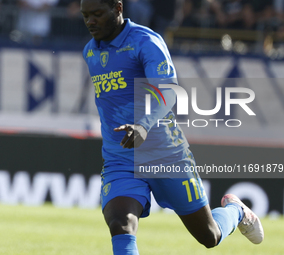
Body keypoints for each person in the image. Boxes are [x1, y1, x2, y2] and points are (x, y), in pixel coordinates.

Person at [80, 0, 264, 254]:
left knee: (209, 236)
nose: (90, 21)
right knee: (120, 223)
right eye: (86, 15)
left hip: (166, 154)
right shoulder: (90, 51)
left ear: (118, 9)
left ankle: (236, 211)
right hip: (120, 158)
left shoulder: (145, 42)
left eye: (98, 14)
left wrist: (143, 125)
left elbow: (168, 90)